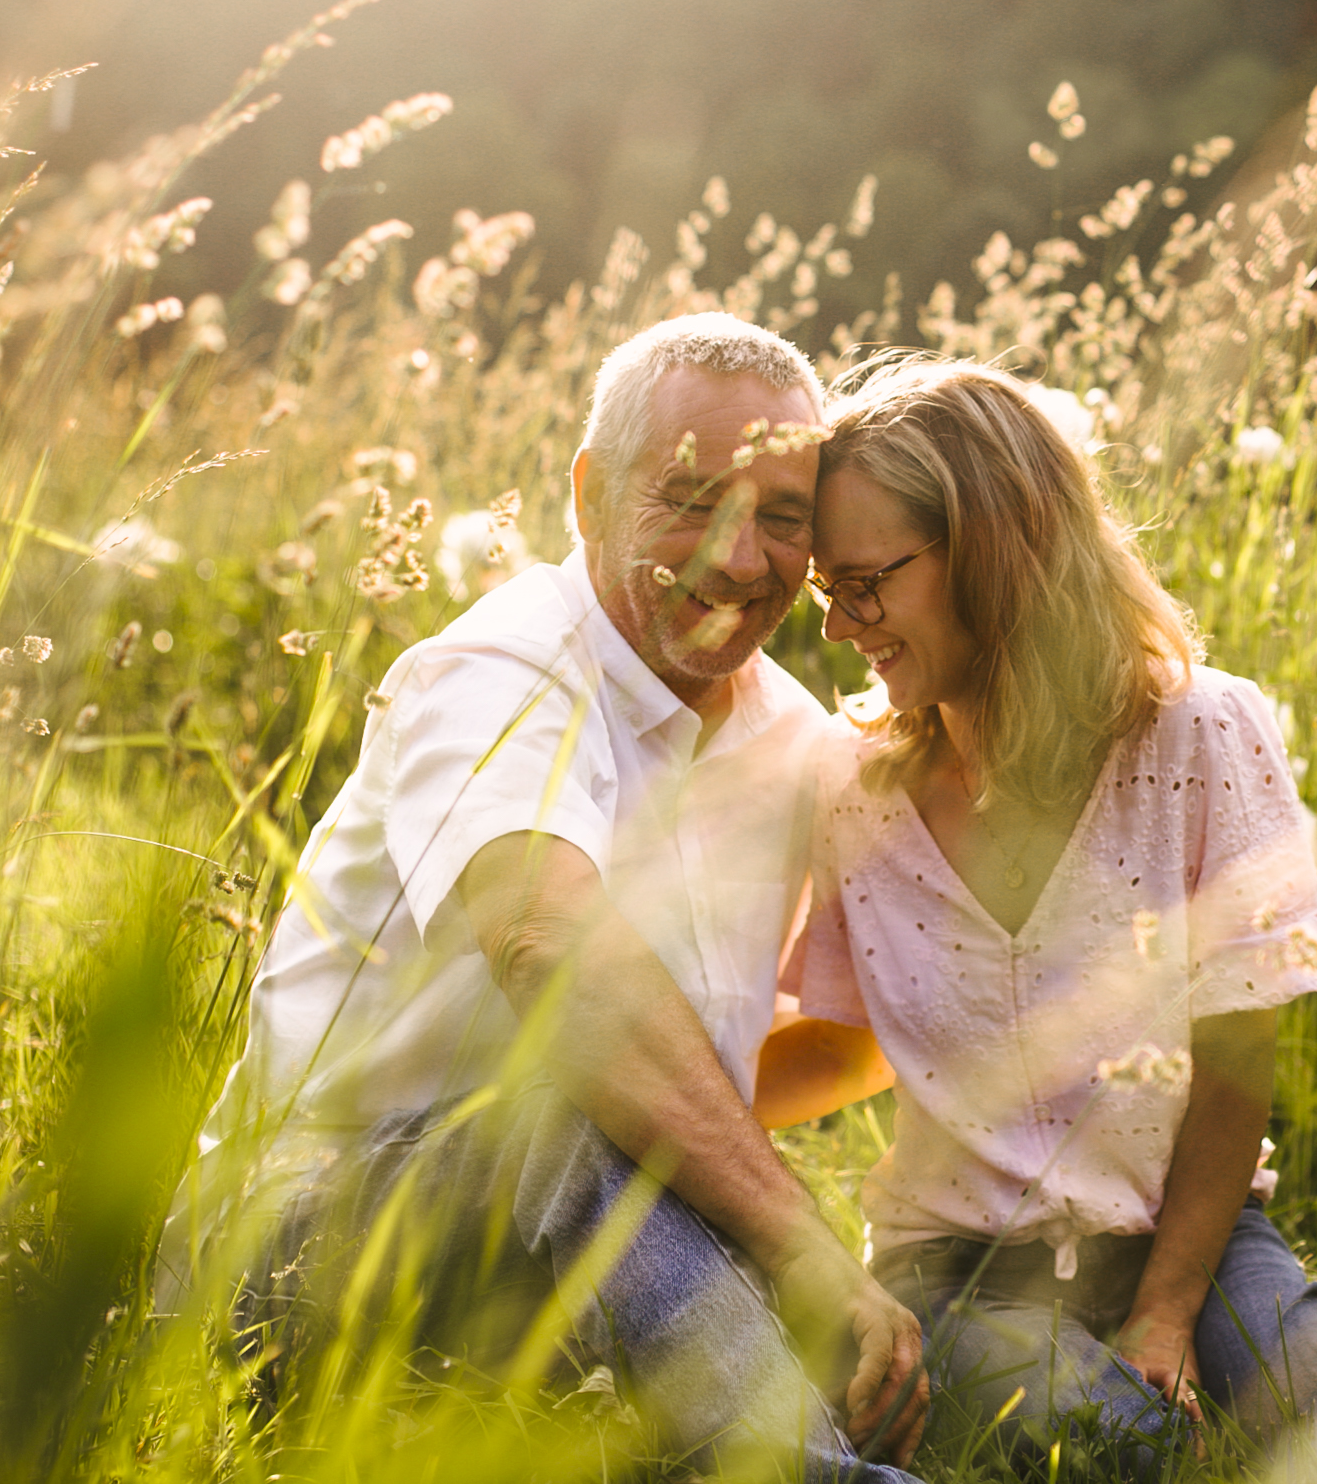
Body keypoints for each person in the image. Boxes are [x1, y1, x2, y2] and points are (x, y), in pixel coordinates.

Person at [177, 313, 929, 1481]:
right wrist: (804, 1251)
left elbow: (879, 1016)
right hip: (300, 1256)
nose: (739, 557)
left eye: (782, 517)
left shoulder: (792, 741)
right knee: (557, 1104)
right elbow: (551, 951)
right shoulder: (497, 672)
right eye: (688, 498)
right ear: (589, 496)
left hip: (571, 1274)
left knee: (645, 1174)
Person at [758, 357, 1317, 1478]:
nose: (840, 625)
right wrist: (652, 1108)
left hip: (1183, 1232)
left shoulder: (1205, 740)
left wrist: (1164, 1310)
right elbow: (849, 1041)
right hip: (956, 1267)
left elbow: (1237, 1055)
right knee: (1122, 1450)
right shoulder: (850, 789)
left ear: (997, 548)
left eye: (868, 583)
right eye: (828, 589)